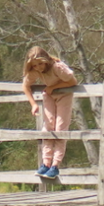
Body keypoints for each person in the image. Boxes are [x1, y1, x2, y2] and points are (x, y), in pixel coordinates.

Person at [21, 45, 78, 178]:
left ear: (46, 60)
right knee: (48, 127)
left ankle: (55, 165)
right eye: (35, 65)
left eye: (40, 64)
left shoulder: (57, 67)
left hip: (64, 95)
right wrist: (33, 104)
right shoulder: (36, 71)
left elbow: (73, 82)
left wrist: (54, 87)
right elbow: (25, 86)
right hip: (48, 96)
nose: (39, 67)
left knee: (60, 129)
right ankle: (45, 163)